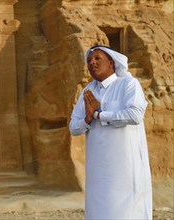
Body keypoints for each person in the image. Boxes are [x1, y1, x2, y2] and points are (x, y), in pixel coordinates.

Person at [69, 46, 152, 219]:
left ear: (112, 63)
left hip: (125, 167)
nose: (92, 62)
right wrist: (87, 119)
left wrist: (99, 114)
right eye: (89, 60)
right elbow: (73, 127)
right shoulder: (88, 91)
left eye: (97, 58)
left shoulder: (128, 84)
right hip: (98, 169)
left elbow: (135, 115)